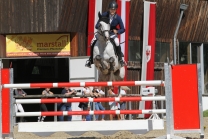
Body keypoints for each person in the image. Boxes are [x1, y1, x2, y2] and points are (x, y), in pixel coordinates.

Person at [85, 1, 126, 68]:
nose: (112, 11)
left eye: (114, 9)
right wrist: (100, 27)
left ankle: (120, 59)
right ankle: (90, 60)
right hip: (102, 34)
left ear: (116, 10)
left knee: (117, 42)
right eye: (111, 9)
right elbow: (96, 25)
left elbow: (123, 29)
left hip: (111, 33)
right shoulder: (104, 15)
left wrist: (117, 31)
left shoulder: (118, 18)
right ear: (109, 9)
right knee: (92, 42)